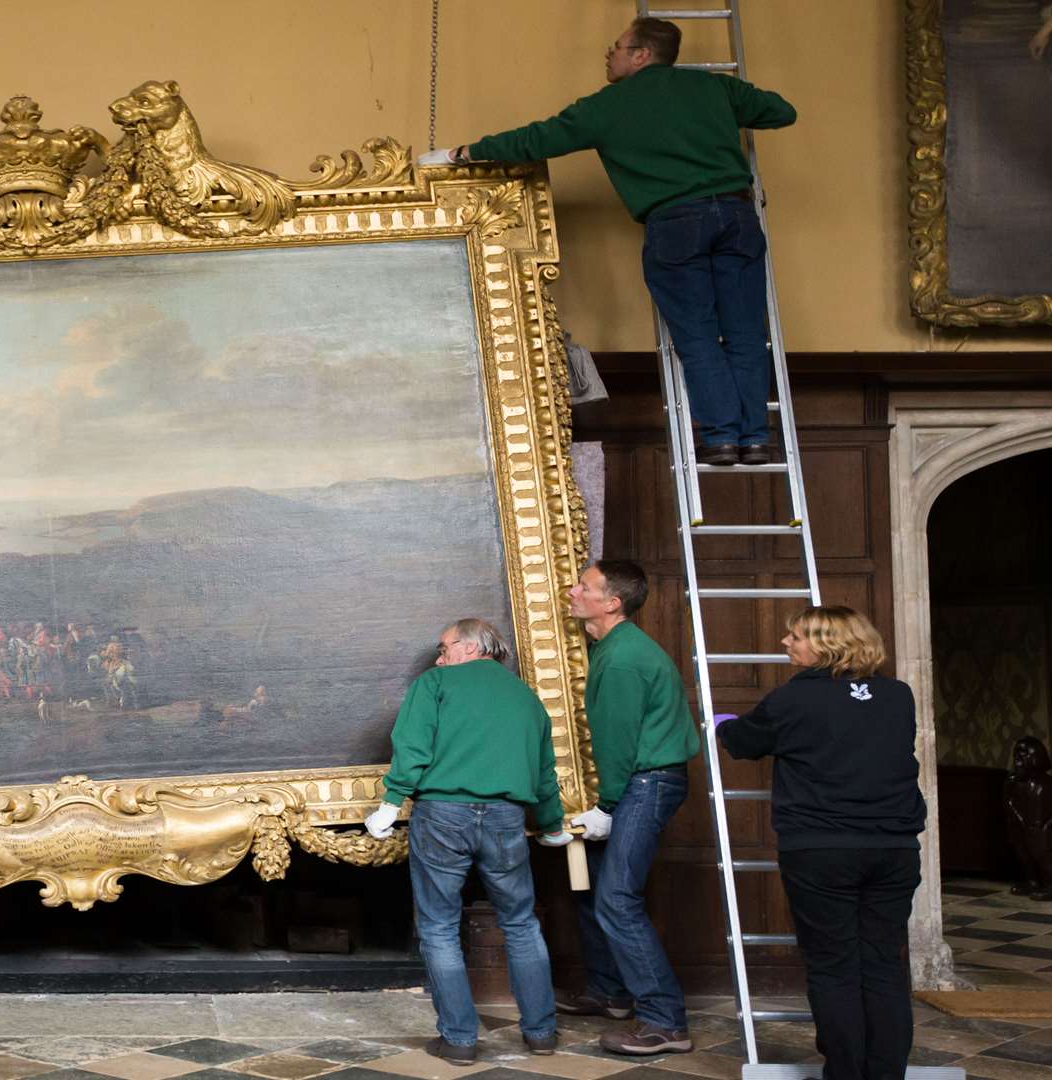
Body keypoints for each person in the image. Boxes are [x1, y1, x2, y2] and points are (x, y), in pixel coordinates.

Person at [422, 17, 796, 467]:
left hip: (675, 223)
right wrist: (721, 104)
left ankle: (721, 439)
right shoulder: (714, 89)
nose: (609, 53)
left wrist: (461, 153)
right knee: (745, 334)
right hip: (736, 216)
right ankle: (755, 438)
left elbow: (535, 139)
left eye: (617, 46)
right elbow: (781, 111)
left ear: (642, 54)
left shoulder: (607, 107)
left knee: (697, 336)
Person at [717, 607, 925, 1080]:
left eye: (796, 636)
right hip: (893, 849)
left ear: (828, 646)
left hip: (822, 849)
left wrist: (723, 721)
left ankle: (846, 1074)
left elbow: (743, 741)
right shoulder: (898, 696)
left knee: (834, 965)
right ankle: (885, 1074)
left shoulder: (795, 700)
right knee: (882, 963)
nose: (785, 641)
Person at [363, 618, 563, 1063]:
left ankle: (459, 1039)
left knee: (437, 926)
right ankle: (541, 1034)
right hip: (506, 819)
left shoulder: (435, 684)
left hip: (442, 816)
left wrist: (391, 803)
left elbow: (412, 745)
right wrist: (551, 825)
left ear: (471, 647)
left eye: (444, 647)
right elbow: (544, 771)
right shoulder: (527, 698)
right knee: (521, 923)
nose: (439, 657)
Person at [559, 559, 699, 1055]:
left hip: (648, 783)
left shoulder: (621, 659)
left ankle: (665, 1021)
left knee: (617, 898)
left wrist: (607, 806)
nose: (573, 591)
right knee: (594, 885)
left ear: (611, 602)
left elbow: (618, 742)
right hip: (643, 780)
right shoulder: (612, 647)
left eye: (585, 586)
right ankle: (610, 992)